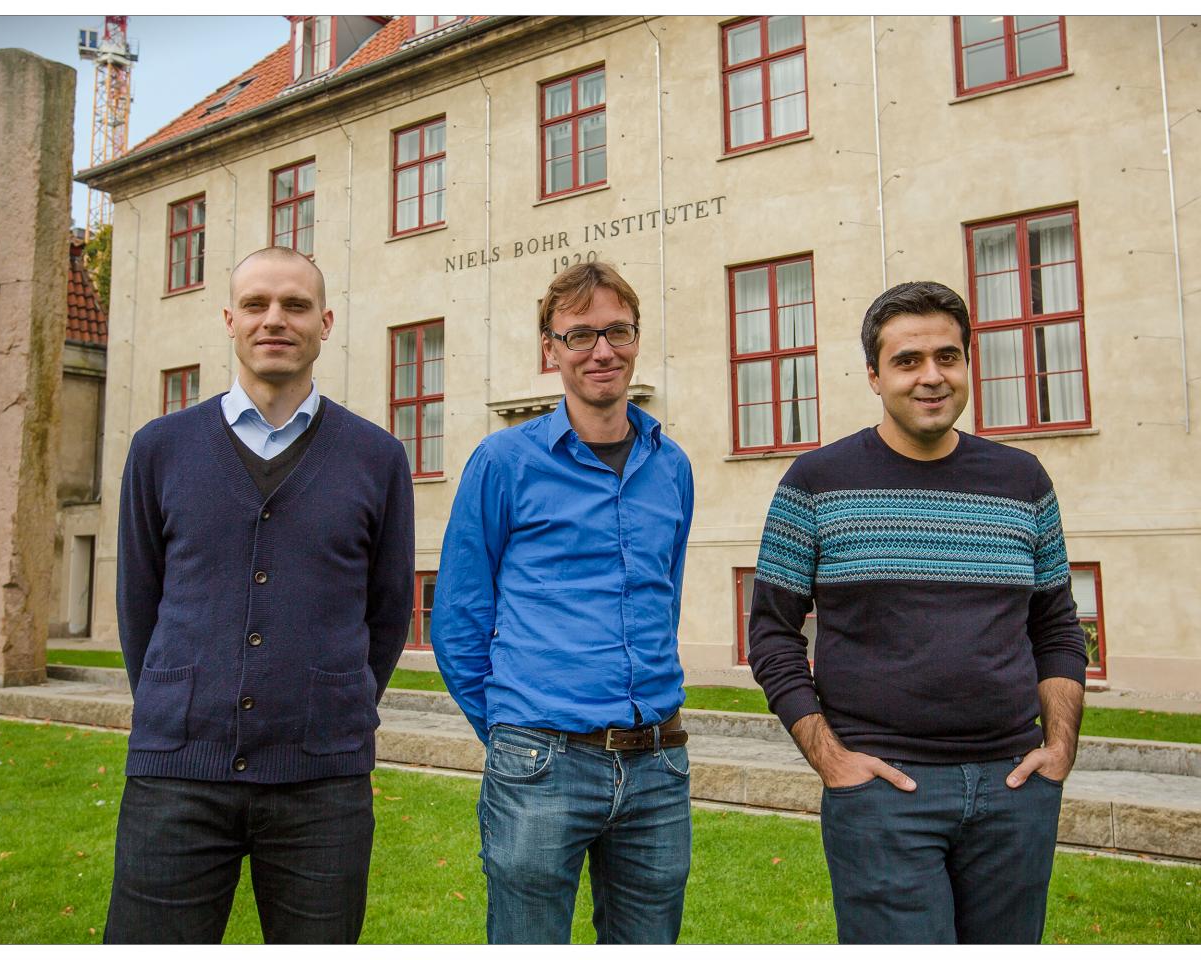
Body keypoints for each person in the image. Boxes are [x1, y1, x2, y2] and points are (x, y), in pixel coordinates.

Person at [747, 280, 1087, 944]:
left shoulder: (1023, 481)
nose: (931, 376)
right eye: (908, 361)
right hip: (883, 792)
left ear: (967, 364)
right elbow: (772, 634)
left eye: (947, 357)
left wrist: (1059, 750)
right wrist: (832, 760)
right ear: (875, 376)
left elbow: (1055, 627)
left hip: (1014, 789)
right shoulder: (815, 483)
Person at [106, 246, 414, 944]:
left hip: (321, 782)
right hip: (177, 775)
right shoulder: (160, 448)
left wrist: (332, 705)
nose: (275, 319)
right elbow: (139, 603)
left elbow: (389, 609)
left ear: (324, 323)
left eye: (295, 305)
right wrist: (177, 705)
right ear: (230, 320)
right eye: (256, 304)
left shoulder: (376, 457)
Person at [431, 261, 695, 944]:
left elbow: (663, 597)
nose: (602, 350)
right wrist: (514, 733)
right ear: (551, 349)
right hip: (541, 764)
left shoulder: (672, 466)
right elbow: (458, 620)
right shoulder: (503, 462)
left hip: (658, 762)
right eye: (580, 335)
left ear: (636, 339)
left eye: (617, 331)